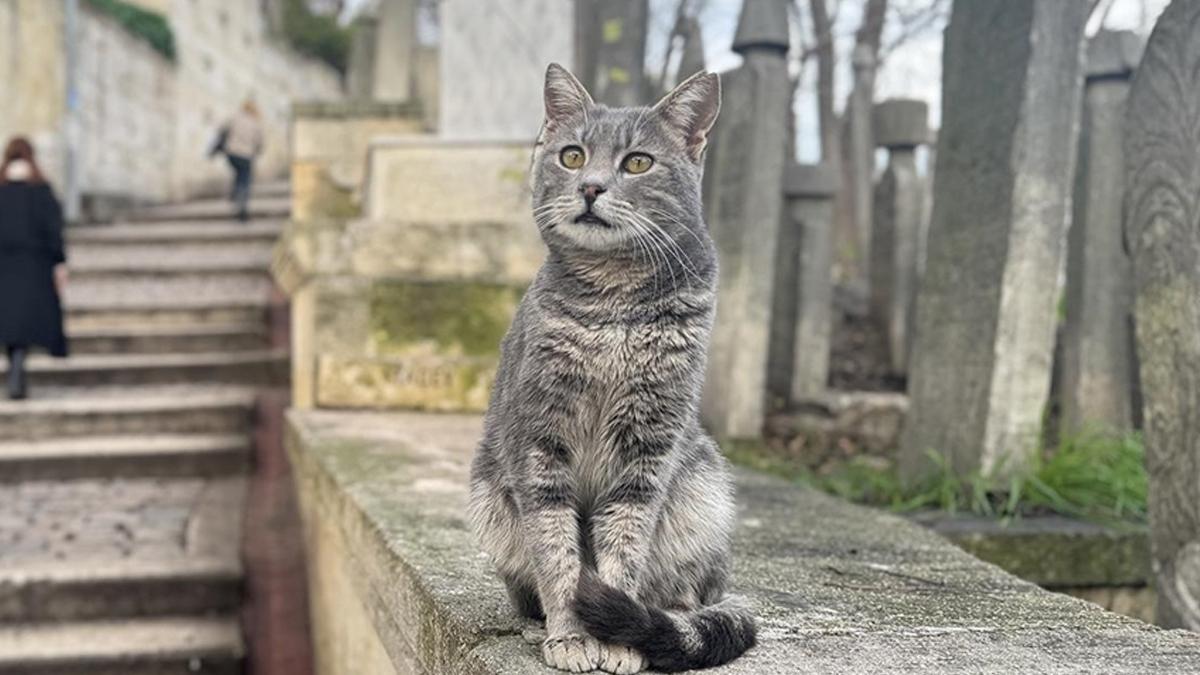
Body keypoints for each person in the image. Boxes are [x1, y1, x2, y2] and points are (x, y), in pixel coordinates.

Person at [0, 137, 68, 400]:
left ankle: (15, 367)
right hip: (34, 265)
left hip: (4, 266)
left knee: (8, 321)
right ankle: (18, 368)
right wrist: (59, 262)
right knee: (23, 321)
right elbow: (54, 230)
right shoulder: (41, 190)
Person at [219, 99, 264, 222]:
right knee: (245, 180)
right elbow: (259, 142)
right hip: (246, 155)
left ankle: (235, 193)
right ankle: (242, 207)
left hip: (232, 153)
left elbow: (222, 130)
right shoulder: (255, 122)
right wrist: (257, 151)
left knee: (238, 175)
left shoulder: (234, 118)